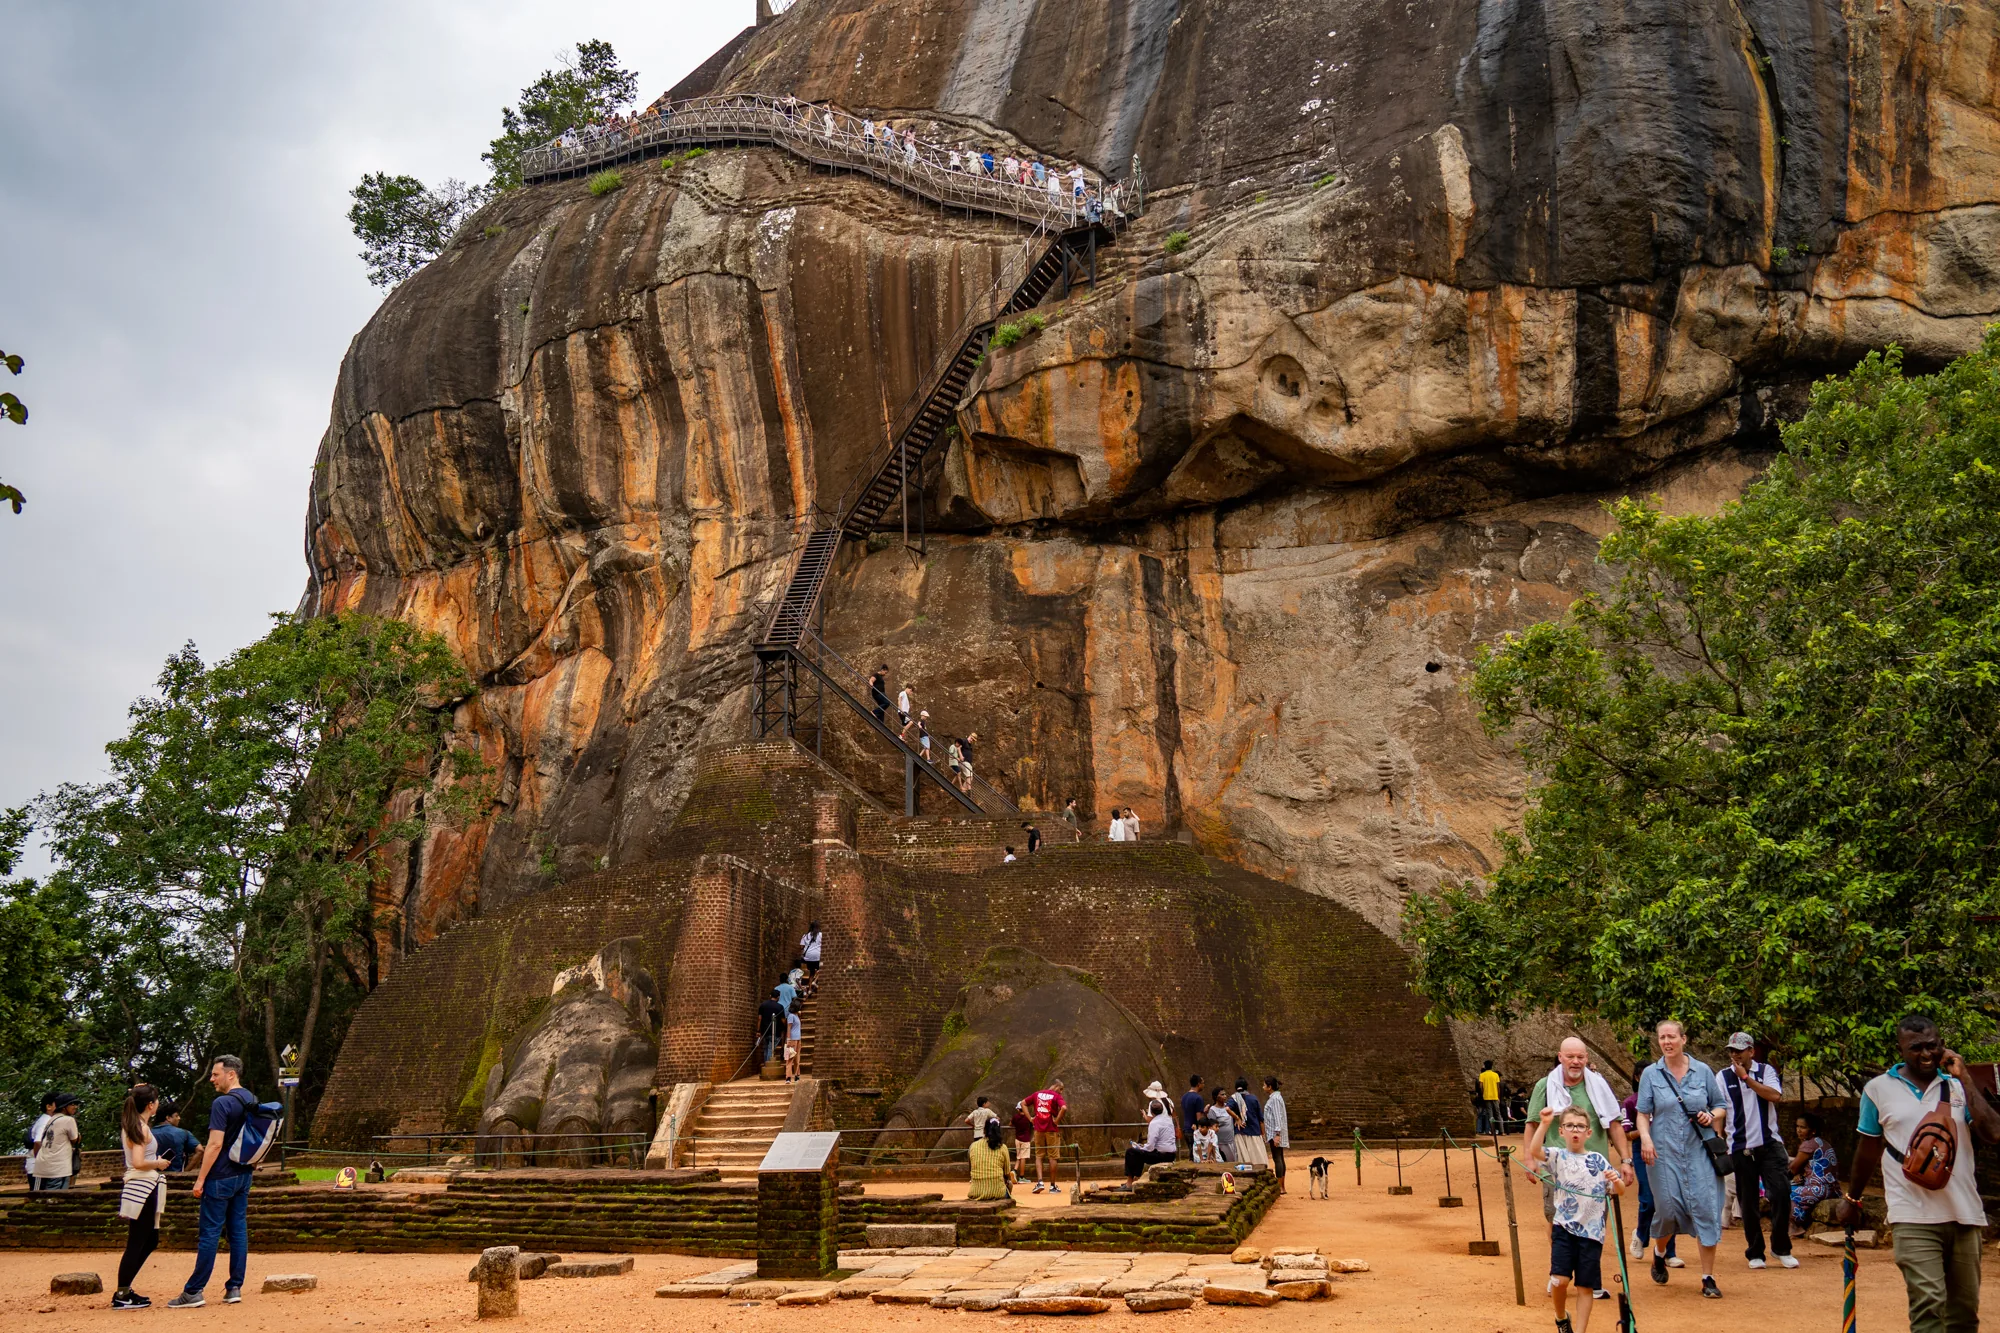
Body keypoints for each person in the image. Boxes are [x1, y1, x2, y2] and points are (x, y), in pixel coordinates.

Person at [1836, 1015, 2000, 1333]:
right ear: (1900, 1048)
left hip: (1965, 1215)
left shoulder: (1957, 1086)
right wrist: (1852, 1198)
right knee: (1929, 1305)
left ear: (1942, 1046)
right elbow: (1868, 1149)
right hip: (1911, 1215)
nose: (1926, 1054)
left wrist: (1964, 1076)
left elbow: (1993, 1132)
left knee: (1964, 1315)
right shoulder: (1878, 1089)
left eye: (1932, 1046)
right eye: (1916, 1048)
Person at [1634, 1020, 1728, 1299]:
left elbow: (1720, 1106)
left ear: (1683, 1039)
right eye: (1662, 1037)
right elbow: (1642, 1112)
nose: (1667, 1042)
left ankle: (1708, 1277)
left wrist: (1711, 1116)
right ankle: (1660, 1252)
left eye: (1672, 1036)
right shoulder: (1651, 1074)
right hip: (1663, 1152)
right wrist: (1646, 1138)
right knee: (1668, 1210)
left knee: (1706, 1208)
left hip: (1698, 1151)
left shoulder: (1703, 1071)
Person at [169, 1055, 260, 1308]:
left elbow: (215, 1144)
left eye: (215, 1074)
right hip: (243, 1174)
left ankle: (194, 1291)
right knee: (238, 1231)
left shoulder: (222, 1103)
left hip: (220, 1176)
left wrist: (200, 1179)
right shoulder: (252, 1099)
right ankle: (234, 1288)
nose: (211, 1079)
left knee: (209, 1233)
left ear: (231, 1074)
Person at [1715, 1032, 1794, 1269]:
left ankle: (1781, 1248)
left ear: (1751, 1051)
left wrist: (1747, 1078)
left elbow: (1775, 1096)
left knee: (1780, 1193)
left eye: (1740, 1050)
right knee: (1747, 1202)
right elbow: (1720, 1108)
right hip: (1740, 1147)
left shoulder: (1765, 1071)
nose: (1735, 1054)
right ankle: (1755, 1252)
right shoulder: (1723, 1076)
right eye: (1731, 1050)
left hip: (1769, 1144)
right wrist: (1719, 1138)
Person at [1542, 1106, 1624, 1333]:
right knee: (1559, 1280)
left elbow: (1620, 1190)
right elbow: (1533, 1151)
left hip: (1592, 1233)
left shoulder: (1597, 1160)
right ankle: (1560, 1317)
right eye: (1570, 1126)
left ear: (1589, 1132)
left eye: (1580, 1126)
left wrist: (1615, 1180)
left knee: (1585, 1286)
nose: (1575, 1130)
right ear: (1562, 1131)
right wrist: (1544, 1123)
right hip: (1564, 1228)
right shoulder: (1558, 1156)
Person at [112, 1083, 173, 1309]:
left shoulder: (134, 1125)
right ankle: (121, 1293)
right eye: (156, 1100)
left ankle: (125, 1289)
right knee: (138, 1241)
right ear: (150, 1105)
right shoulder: (140, 1128)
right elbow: (138, 1162)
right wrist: (159, 1163)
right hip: (143, 1184)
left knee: (149, 1239)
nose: (158, 1103)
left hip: (146, 1183)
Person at [1620, 1067, 1676, 1265]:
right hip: (1642, 1151)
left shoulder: (1666, 1098)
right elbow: (1626, 1133)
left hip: (1667, 1150)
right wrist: (1645, 1131)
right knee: (1649, 1199)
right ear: (1637, 1077)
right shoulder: (1631, 1102)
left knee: (1669, 1198)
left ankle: (1669, 1251)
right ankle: (1641, 1235)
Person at [1788, 1111, 1839, 1234]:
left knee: (1778, 1191)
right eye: (1797, 1126)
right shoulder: (1822, 1143)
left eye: (1803, 1127)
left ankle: (1796, 1224)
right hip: (1832, 1190)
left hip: (1818, 1190)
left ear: (1813, 1130)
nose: (1799, 1130)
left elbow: (1793, 1168)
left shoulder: (1809, 1144)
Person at [29, 1093, 79, 1191]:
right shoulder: (68, 1120)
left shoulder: (51, 1119)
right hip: (59, 1167)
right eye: (72, 1104)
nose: (75, 1107)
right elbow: (75, 1140)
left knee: (44, 1195)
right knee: (56, 1197)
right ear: (64, 1107)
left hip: (45, 1164)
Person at [1123, 1100, 1177, 1186]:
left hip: (1161, 1156)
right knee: (1139, 1153)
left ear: (1151, 1112)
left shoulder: (1154, 1123)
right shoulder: (1169, 1121)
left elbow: (1150, 1146)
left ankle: (1129, 1182)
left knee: (1131, 1152)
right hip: (1171, 1154)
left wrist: (1140, 1148)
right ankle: (1135, 1178)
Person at [1029, 1079, 1067, 1193]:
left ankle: (1040, 1182)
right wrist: (1057, 1120)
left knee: (1039, 1155)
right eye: (1060, 1089)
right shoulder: (1056, 1096)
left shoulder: (1037, 1094)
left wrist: (1030, 1119)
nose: (1061, 1092)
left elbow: (1023, 1103)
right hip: (1051, 1129)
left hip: (1038, 1129)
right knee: (1053, 1157)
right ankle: (1052, 1185)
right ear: (1055, 1086)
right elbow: (1064, 1108)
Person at [968, 1118, 1017, 1200]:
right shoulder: (1002, 1147)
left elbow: (970, 1170)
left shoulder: (973, 1146)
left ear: (984, 1130)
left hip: (975, 1192)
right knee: (1009, 1184)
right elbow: (1007, 1173)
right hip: (998, 1192)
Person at [152, 1101, 202, 1174]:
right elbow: (200, 1150)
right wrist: (184, 1172)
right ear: (168, 1118)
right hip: (175, 1177)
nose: (179, 1118)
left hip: (152, 1176)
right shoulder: (183, 1133)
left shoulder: (148, 1133)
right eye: (176, 1116)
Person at [1230, 1080, 1270, 1167]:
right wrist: (1263, 1134)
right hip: (1254, 1132)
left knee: (1244, 1161)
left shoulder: (1233, 1099)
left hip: (1240, 1133)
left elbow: (1227, 1109)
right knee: (1259, 1159)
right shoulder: (1253, 1098)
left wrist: (1237, 1118)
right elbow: (1261, 1120)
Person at [1264, 1076, 1289, 1194]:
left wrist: (1277, 1134)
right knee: (1279, 1157)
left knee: (1277, 1158)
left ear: (1270, 1087)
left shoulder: (1274, 1099)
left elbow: (1277, 1117)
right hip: (1274, 1132)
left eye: (1264, 1085)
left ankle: (1281, 1186)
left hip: (1275, 1133)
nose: (1263, 1087)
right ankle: (1282, 1185)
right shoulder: (1276, 1097)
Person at [1208, 1087, 1240, 1162]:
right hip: (1221, 1142)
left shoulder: (1228, 1107)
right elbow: (1212, 1127)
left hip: (1231, 1141)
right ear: (1216, 1097)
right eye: (1222, 1094)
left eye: (1225, 1094)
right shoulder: (1213, 1110)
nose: (1225, 1096)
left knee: (1233, 1161)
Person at [1179, 1075, 1207, 1159]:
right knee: (1197, 1156)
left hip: (1186, 1128)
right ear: (1198, 1084)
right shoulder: (1198, 1098)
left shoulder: (1184, 1097)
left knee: (1192, 1154)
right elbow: (1199, 1118)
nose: (1204, 1085)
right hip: (1194, 1130)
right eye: (1203, 1083)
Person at [757, 987, 787, 1064]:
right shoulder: (779, 1007)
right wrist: (786, 1027)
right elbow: (783, 1020)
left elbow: (759, 1019)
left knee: (766, 1049)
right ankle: (768, 1066)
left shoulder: (763, 1005)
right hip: (775, 1032)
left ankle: (765, 1064)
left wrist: (758, 1031)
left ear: (770, 996)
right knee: (770, 1049)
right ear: (778, 997)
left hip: (764, 1031)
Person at [1010, 1098, 1036, 1181]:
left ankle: (1014, 1171)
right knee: (1023, 1157)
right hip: (1025, 1140)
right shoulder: (1027, 1118)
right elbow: (1033, 1123)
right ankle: (1021, 1177)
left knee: (1019, 1157)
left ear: (1018, 1109)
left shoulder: (1015, 1117)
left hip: (1017, 1139)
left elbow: (1010, 1124)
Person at [1478, 1060, 1502, 1135]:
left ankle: (1493, 1131)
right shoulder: (1495, 1075)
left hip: (1487, 1096)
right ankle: (1502, 1131)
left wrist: (1483, 1094)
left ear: (1485, 1066)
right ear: (1492, 1066)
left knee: (1490, 1114)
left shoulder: (1482, 1075)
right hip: (1495, 1096)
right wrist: (1498, 1096)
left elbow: (1481, 1086)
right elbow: (1498, 1087)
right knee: (1498, 1113)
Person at [783, 1002, 803, 1082]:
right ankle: (788, 1077)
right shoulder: (791, 1016)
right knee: (790, 1058)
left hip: (798, 1039)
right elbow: (789, 1027)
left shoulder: (797, 1015)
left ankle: (797, 1075)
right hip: (792, 1039)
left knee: (797, 1058)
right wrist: (788, 1039)